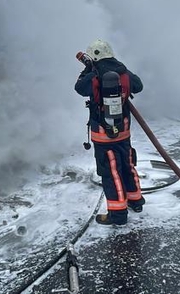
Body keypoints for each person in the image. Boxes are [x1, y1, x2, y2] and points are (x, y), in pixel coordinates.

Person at [75, 39, 144, 226]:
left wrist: (88, 70)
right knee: (128, 164)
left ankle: (117, 214)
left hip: (104, 134)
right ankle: (136, 201)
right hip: (124, 131)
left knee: (111, 171)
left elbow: (79, 88)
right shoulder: (123, 72)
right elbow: (138, 86)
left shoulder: (95, 75)